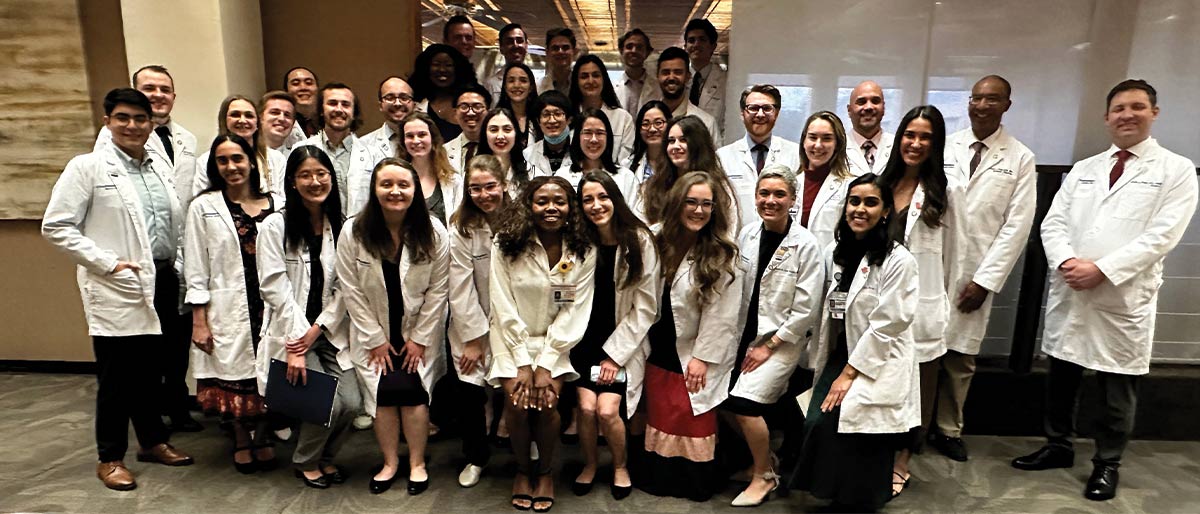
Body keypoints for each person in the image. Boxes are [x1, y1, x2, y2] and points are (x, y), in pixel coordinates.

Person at [1013, 79, 1198, 502]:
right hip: (1074, 289)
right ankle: (1057, 445)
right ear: (1106, 116)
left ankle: (1107, 463)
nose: (1127, 115)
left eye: (1137, 107)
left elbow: (1162, 235)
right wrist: (1064, 261)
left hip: (1122, 295)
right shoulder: (1085, 169)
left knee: (1117, 387)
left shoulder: (1176, 170)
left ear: (1154, 112)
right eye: (1118, 108)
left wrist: (1104, 269)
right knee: (1061, 375)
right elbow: (1053, 222)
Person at [43, 88, 195, 491]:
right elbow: (56, 226)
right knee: (117, 378)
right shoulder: (87, 167)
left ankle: (151, 442)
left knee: (152, 371)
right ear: (107, 120)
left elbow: (172, 225)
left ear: (151, 123)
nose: (132, 126)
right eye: (123, 118)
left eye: (140, 119)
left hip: (162, 279)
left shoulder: (157, 169)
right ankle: (110, 457)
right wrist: (107, 263)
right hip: (117, 284)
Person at [791, 173, 920, 512]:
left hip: (878, 357)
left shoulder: (898, 260)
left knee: (860, 427)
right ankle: (837, 494)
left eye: (871, 202)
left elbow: (888, 324)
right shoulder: (837, 252)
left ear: (887, 211)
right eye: (855, 201)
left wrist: (849, 374)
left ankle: (860, 500)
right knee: (821, 421)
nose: (860, 209)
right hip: (841, 350)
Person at [932, 75, 1036, 462]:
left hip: (976, 268)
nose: (982, 105)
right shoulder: (946, 145)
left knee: (959, 358)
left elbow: (1017, 225)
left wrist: (985, 280)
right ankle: (914, 427)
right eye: (976, 98)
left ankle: (948, 430)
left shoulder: (1020, 157)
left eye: (992, 99)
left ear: (1007, 105)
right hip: (933, 263)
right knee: (923, 351)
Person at [336, 158, 449, 495]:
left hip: (417, 332)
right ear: (374, 189)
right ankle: (389, 463)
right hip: (375, 335)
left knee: (413, 393)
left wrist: (419, 339)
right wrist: (374, 339)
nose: (395, 191)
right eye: (386, 184)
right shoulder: (353, 231)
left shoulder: (434, 231)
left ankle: (417, 462)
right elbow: (350, 288)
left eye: (404, 185)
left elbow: (439, 289)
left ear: (416, 190)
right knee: (384, 397)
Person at [489, 175, 597, 512]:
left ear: (571, 207)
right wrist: (523, 361)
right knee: (518, 405)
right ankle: (523, 471)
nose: (551, 208)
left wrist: (547, 362)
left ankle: (546, 472)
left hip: (556, 341)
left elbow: (574, 309)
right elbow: (502, 303)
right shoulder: (505, 243)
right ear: (528, 206)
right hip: (510, 339)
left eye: (560, 201)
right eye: (542, 201)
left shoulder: (582, 249)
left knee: (548, 402)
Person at [256, 146, 360, 488]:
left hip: (328, 330)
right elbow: (274, 287)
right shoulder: (275, 226)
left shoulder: (340, 226)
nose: (315, 182)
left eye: (321, 174)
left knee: (353, 402)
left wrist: (317, 330)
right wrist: (299, 342)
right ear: (292, 182)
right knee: (324, 402)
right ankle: (306, 461)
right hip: (292, 331)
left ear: (332, 177)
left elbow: (344, 288)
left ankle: (325, 458)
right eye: (305, 175)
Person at [877, 105, 966, 493]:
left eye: (925, 137)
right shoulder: (882, 185)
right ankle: (877, 453)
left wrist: (942, 307)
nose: (915, 143)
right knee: (880, 382)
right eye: (909, 135)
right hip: (878, 303)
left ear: (936, 144)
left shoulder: (948, 191)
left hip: (922, 308)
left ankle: (903, 459)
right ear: (899, 139)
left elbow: (956, 256)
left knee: (919, 387)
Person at [638, 171, 741, 502]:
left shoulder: (722, 252)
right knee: (662, 415)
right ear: (676, 204)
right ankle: (659, 478)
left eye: (706, 204)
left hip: (694, 351)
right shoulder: (656, 241)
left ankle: (692, 483)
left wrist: (702, 358)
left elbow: (723, 314)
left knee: (691, 418)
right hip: (659, 349)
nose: (699, 211)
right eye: (691, 202)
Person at [725, 166, 823, 507]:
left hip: (782, 343)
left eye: (779, 194)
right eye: (764, 194)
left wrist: (769, 347)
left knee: (744, 404)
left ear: (793, 200)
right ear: (755, 198)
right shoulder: (748, 235)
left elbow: (805, 310)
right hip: (743, 336)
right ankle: (766, 459)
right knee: (716, 397)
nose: (770, 200)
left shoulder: (806, 245)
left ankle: (764, 475)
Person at [185, 134, 278, 474]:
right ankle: (241, 438)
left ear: (251, 161)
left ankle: (265, 434)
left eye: (237, 158)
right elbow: (196, 266)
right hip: (227, 305)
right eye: (222, 161)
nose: (231, 167)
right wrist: (199, 319)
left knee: (271, 374)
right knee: (233, 375)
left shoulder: (276, 203)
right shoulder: (203, 207)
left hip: (271, 304)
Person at [570, 171, 659, 501]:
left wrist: (614, 356)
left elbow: (646, 308)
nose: (596, 205)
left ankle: (620, 466)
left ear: (615, 198)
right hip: (583, 343)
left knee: (607, 410)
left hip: (621, 344)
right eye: (588, 200)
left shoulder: (638, 240)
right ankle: (590, 464)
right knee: (586, 408)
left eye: (602, 197)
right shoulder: (579, 241)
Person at [447, 155, 511, 487]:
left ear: (504, 185)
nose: (484, 195)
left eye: (490, 187)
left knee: (517, 390)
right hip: (471, 324)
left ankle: (523, 446)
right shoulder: (461, 227)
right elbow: (459, 286)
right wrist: (475, 338)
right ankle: (476, 456)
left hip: (515, 323)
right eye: (475, 189)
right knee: (472, 395)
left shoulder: (521, 220)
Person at [717, 84, 801, 227]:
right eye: (753, 108)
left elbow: (797, 204)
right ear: (742, 113)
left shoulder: (795, 154)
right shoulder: (722, 157)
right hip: (736, 243)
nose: (760, 114)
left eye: (767, 108)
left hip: (781, 241)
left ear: (777, 113)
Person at [638, 115, 737, 232]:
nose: (675, 146)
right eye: (671, 141)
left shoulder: (720, 188)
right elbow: (641, 229)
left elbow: (729, 231)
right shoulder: (653, 186)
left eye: (683, 140)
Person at [192, 96, 287, 198]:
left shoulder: (277, 159)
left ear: (257, 123)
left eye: (249, 116)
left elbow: (283, 200)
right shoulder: (205, 161)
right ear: (224, 121)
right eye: (235, 115)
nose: (242, 120)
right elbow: (201, 201)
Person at [347, 76, 416, 216]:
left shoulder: (428, 143)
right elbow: (357, 196)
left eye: (404, 97)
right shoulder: (363, 145)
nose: (397, 103)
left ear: (413, 104)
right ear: (380, 105)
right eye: (390, 97)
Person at [798, 111, 858, 251]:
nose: (818, 145)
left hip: (831, 266)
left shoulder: (850, 186)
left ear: (838, 144)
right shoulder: (791, 183)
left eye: (826, 138)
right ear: (804, 142)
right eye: (812, 137)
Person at [297, 83, 361, 208]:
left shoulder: (371, 152)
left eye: (345, 104)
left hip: (360, 226)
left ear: (353, 113)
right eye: (332, 103)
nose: (339, 109)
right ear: (321, 110)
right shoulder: (301, 149)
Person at [398, 111, 463, 225]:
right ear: (403, 142)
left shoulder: (453, 180)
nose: (416, 141)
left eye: (422, 134)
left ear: (433, 138)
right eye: (410, 136)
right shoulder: (397, 180)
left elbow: (459, 224)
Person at [569, 55, 636, 162]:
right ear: (576, 82)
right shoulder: (568, 117)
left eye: (596, 75)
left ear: (604, 79)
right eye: (584, 76)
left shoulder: (623, 118)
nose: (591, 81)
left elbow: (625, 160)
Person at [563, 109, 640, 202]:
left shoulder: (626, 177)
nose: (594, 139)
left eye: (600, 133)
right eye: (587, 133)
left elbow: (631, 215)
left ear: (608, 137)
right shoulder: (563, 176)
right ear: (577, 137)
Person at [410, 44, 478, 141]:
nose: (442, 69)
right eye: (436, 64)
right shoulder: (416, 104)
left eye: (448, 65)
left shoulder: (471, 100)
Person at [655, 47, 721, 145]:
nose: (671, 77)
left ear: (688, 76)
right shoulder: (648, 121)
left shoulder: (706, 122)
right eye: (666, 72)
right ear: (657, 76)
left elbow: (714, 160)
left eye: (678, 72)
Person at [684, 19, 726, 136]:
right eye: (691, 40)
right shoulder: (679, 80)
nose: (696, 44)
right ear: (685, 47)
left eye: (702, 40)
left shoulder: (725, 81)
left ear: (713, 46)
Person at [476, 107, 530, 193]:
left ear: (516, 133)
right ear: (484, 135)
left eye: (507, 129)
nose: (500, 136)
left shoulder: (531, 171)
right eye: (493, 130)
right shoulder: (473, 171)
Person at [525, 91, 577, 177]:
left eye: (557, 114)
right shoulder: (528, 154)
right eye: (546, 114)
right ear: (538, 121)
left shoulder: (580, 152)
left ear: (569, 119)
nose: (552, 120)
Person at [846, 80, 893, 176]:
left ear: (883, 108)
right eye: (861, 102)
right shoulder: (836, 148)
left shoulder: (897, 146)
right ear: (849, 110)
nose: (869, 107)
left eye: (875, 101)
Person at [444, 84, 493, 172]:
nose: (470, 113)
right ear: (455, 113)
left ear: (489, 113)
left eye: (477, 107)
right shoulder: (444, 151)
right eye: (464, 107)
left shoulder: (498, 148)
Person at [614, 29, 658, 117]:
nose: (634, 51)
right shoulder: (612, 89)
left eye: (639, 47)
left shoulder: (658, 88)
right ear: (621, 50)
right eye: (629, 46)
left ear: (647, 53)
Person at [625, 100, 671, 183]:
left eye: (658, 123)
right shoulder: (627, 164)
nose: (652, 129)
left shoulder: (677, 161)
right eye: (645, 124)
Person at [484, 23, 530, 102]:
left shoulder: (538, 83)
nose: (515, 45)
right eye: (509, 42)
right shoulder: (491, 85)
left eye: (519, 41)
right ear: (501, 48)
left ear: (526, 46)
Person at [496, 62, 539, 142]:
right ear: (505, 87)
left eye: (523, 80)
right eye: (511, 81)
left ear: (531, 87)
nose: (516, 85)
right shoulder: (496, 118)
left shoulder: (539, 118)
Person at [284, 66, 320, 146]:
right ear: (286, 91)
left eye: (309, 83)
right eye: (296, 83)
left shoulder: (328, 122)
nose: (303, 88)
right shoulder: (280, 123)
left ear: (317, 89)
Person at [259, 91, 298, 156]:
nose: (282, 118)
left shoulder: (297, 160)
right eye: (275, 112)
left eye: (287, 115)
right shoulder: (246, 155)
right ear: (260, 117)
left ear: (293, 123)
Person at [541, 28, 576, 95]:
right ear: (547, 53)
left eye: (565, 48)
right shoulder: (538, 87)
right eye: (555, 48)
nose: (560, 52)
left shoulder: (582, 84)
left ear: (574, 52)